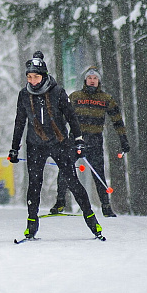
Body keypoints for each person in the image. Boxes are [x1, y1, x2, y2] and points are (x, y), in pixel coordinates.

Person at [8, 51, 104, 241]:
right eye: (29, 77)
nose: (32, 81)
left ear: (43, 76)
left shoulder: (57, 92)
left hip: (59, 143)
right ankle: (31, 224)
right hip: (35, 145)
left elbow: (71, 117)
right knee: (34, 184)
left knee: (72, 181)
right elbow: (20, 122)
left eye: (36, 77)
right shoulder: (24, 94)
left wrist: (78, 140)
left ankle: (92, 220)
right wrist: (14, 148)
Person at [49, 66, 130, 217]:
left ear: (99, 81)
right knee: (65, 170)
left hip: (95, 141)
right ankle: (60, 202)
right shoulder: (75, 97)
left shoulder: (106, 99)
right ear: (85, 80)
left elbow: (117, 121)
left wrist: (123, 140)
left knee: (98, 174)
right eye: (89, 78)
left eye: (95, 78)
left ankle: (106, 206)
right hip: (75, 139)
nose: (92, 81)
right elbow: (62, 118)